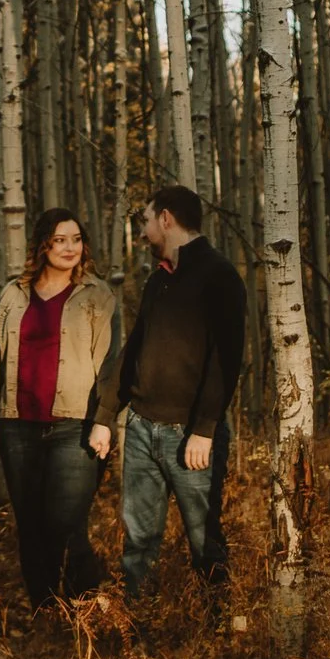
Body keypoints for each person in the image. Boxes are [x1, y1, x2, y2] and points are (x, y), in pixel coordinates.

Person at [0, 207, 122, 606]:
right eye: (59, 240)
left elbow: (110, 365)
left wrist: (105, 422)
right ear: (43, 244)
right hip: (17, 426)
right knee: (31, 525)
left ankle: (86, 614)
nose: (70, 248)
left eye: (76, 239)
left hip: (75, 426)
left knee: (67, 525)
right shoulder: (14, 292)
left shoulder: (97, 294)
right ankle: (46, 614)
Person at [115, 185, 245, 599]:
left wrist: (204, 429)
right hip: (140, 430)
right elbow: (135, 349)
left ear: (166, 219)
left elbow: (226, 360)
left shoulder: (219, 275)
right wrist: (107, 415)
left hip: (190, 437)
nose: (143, 232)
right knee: (138, 543)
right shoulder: (159, 280)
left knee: (205, 543)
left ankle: (221, 632)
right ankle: (137, 631)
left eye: (147, 221)